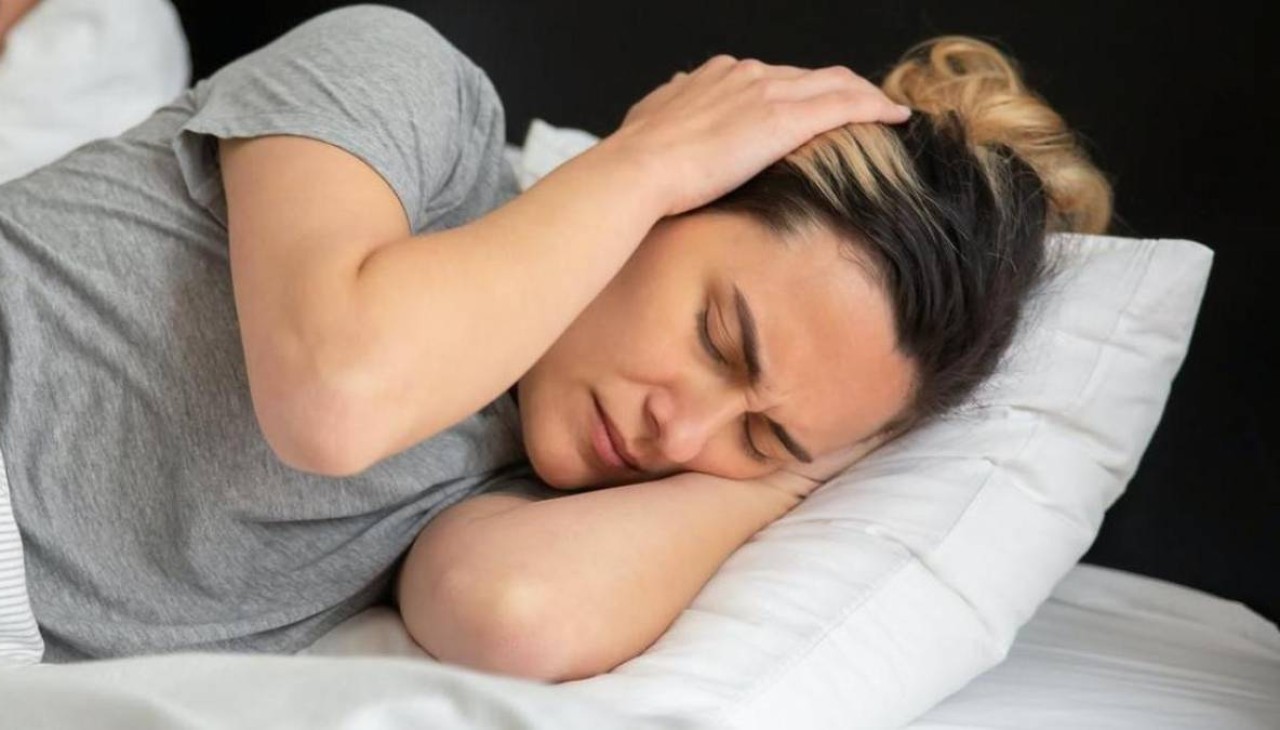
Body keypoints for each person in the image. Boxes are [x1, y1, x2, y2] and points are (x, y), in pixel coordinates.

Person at [0, 5, 1110, 680]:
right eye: (720, 338)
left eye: (761, 434)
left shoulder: (528, 481)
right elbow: (336, 397)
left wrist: (796, 476)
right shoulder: (408, 99)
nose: (682, 430)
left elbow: (513, 615)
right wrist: (639, 163)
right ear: (682, 195)